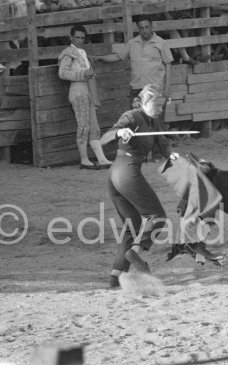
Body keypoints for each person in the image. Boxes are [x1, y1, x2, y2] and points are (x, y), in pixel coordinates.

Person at [100, 84, 179, 288]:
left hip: (118, 175)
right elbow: (105, 137)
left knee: (132, 228)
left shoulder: (154, 121)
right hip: (125, 171)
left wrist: (172, 156)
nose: (161, 109)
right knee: (157, 216)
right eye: (158, 105)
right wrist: (120, 133)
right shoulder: (132, 116)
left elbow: (162, 144)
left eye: (162, 106)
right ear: (144, 102)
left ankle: (116, 276)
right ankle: (136, 252)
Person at [96, 15, 174, 162]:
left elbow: (169, 64)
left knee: (157, 123)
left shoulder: (161, 43)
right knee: (136, 123)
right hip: (137, 90)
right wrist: (99, 58)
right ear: (138, 28)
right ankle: (139, 154)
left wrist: (167, 88)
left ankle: (157, 155)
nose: (144, 30)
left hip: (154, 91)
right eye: (141, 28)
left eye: (147, 27)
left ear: (152, 27)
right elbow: (118, 57)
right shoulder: (132, 44)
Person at [58, 25, 112, 170]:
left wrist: (95, 97)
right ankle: (84, 159)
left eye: (82, 38)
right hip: (77, 90)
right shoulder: (68, 53)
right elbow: (62, 73)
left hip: (86, 90)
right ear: (71, 37)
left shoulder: (82, 52)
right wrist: (82, 75)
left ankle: (101, 158)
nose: (80, 40)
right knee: (83, 125)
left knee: (93, 125)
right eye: (77, 37)